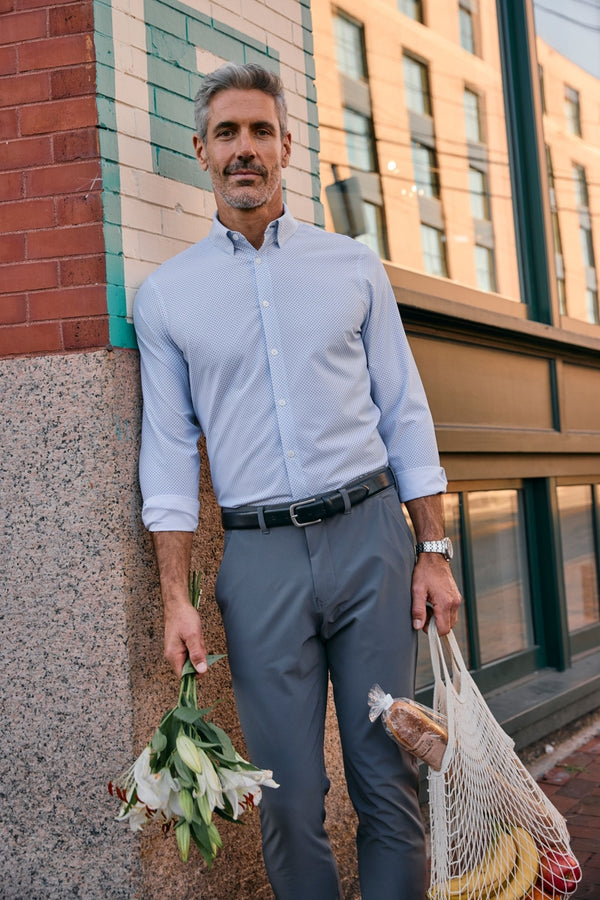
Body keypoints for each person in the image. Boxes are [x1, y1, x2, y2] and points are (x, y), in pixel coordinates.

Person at [133, 62, 461, 900]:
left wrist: (434, 550)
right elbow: (169, 456)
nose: (247, 149)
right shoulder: (167, 297)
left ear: (287, 146)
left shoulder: (351, 265)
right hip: (259, 562)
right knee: (287, 797)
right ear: (200, 150)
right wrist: (177, 595)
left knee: (387, 777)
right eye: (229, 133)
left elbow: (406, 411)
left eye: (262, 131)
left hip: (371, 545)